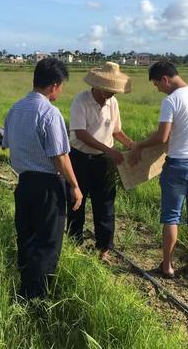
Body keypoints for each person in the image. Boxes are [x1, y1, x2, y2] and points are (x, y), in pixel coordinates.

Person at [2, 58, 83, 299]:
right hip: (48, 186)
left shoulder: (15, 109)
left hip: (24, 183)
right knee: (48, 244)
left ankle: (25, 290)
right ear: (55, 85)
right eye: (62, 86)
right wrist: (75, 186)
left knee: (26, 238)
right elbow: (60, 157)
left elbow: (7, 144)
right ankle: (38, 298)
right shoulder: (49, 112)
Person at [129, 61, 188, 279]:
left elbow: (162, 137)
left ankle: (167, 266)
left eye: (157, 85)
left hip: (178, 165)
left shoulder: (171, 100)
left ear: (166, 79)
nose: (158, 89)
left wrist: (139, 145)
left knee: (171, 217)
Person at [67, 62, 134, 262]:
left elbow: (116, 131)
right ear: (97, 86)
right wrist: (109, 150)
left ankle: (104, 248)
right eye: (108, 90)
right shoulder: (80, 101)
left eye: (114, 91)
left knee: (104, 204)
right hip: (80, 157)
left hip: (104, 160)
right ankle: (74, 242)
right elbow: (80, 133)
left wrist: (131, 144)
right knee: (76, 202)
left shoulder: (113, 103)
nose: (112, 94)